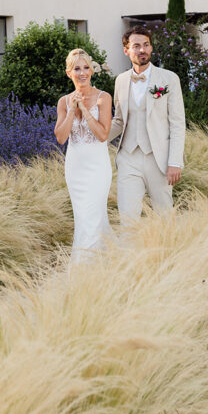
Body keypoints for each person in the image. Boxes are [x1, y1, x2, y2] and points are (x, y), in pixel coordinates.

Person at [108, 26, 186, 225]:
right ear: (126, 50)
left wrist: (174, 162)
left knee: (164, 217)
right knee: (127, 218)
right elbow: (118, 120)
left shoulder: (169, 79)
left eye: (146, 45)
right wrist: (95, 139)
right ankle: (130, 256)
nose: (142, 50)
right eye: (136, 46)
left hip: (158, 159)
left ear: (151, 48)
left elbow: (177, 123)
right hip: (128, 158)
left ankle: (168, 254)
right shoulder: (121, 81)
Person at [54, 48, 114, 262]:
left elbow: (102, 134)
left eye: (86, 67)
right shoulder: (63, 102)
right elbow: (61, 137)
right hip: (75, 169)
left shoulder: (103, 98)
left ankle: (82, 270)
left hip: (98, 169)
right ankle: (108, 263)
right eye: (76, 68)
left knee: (93, 216)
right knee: (84, 219)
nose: (82, 72)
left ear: (92, 71)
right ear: (68, 72)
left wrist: (85, 110)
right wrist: (72, 109)